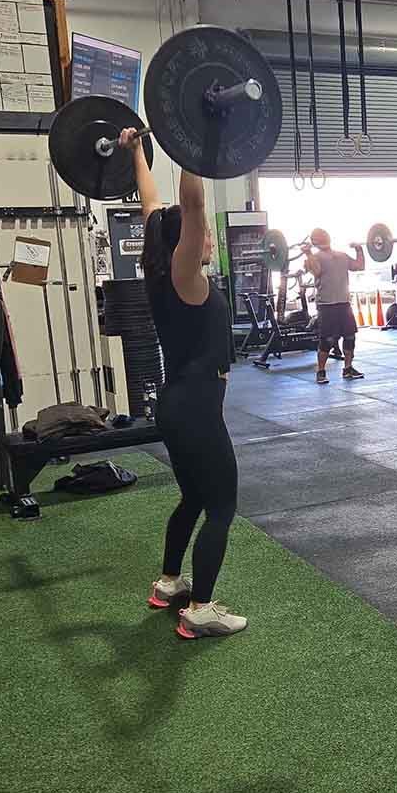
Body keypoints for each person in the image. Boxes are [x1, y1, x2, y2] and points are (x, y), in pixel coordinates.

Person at [121, 128, 246, 640]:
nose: (208, 238)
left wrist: (136, 152)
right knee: (222, 506)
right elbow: (189, 203)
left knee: (192, 498)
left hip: (175, 405)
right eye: (201, 234)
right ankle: (200, 608)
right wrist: (192, 145)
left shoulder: (159, 266)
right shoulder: (185, 278)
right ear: (185, 244)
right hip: (196, 408)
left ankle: (170, 581)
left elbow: (153, 203)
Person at [302, 228, 365, 384]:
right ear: (315, 241)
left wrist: (359, 249)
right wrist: (308, 254)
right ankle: (321, 371)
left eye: (324, 234)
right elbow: (316, 272)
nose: (323, 237)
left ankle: (348, 368)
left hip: (344, 303)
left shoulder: (342, 255)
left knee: (350, 337)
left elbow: (359, 266)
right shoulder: (313, 257)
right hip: (326, 305)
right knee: (327, 340)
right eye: (318, 236)